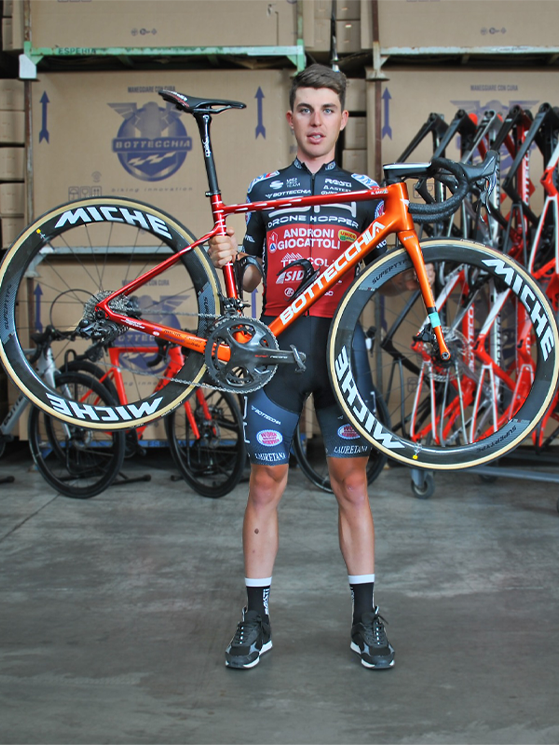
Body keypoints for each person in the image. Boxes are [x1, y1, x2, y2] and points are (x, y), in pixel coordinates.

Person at [209, 64, 414, 671]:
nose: (316, 121)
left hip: (341, 353)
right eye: (305, 109)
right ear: (291, 117)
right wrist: (230, 258)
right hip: (277, 354)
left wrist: (407, 262)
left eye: (327, 110)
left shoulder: (364, 192)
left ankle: (365, 618)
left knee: (352, 484)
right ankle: (255, 618)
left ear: (343, 119)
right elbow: (249, 277)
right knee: (264, 484)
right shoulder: (265, 189)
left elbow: (391, 280)